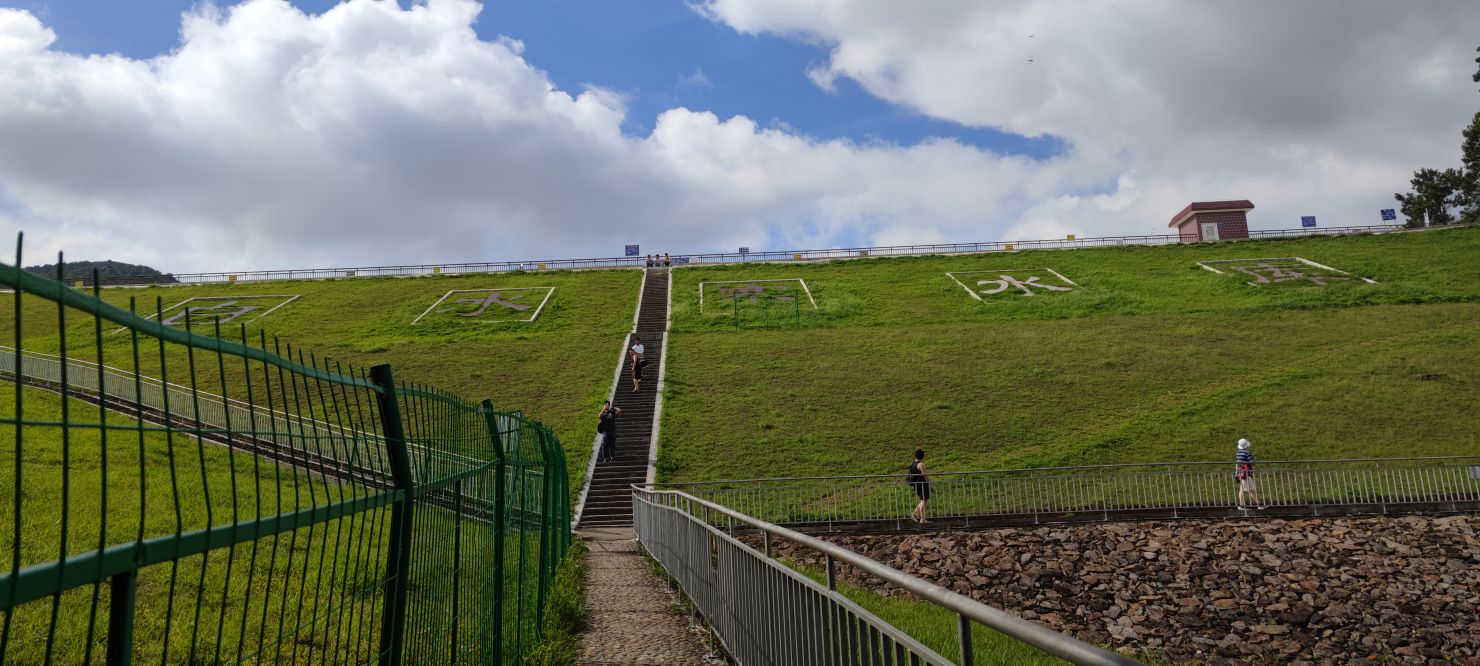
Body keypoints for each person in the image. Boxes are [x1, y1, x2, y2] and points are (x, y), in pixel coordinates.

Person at [1235, 438, 1265, 510]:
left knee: (1250, 489)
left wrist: (1236, 472)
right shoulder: (1247, 453)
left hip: (1241, 473)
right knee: (1246, 489)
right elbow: (1251, 462)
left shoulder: (1238, 453)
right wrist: (1258, 468)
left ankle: (1259, 504)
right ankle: (1242, 506)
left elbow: (1237, 463)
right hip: (1246, 473)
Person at [907, 449, 931, 524]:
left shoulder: (913, 463)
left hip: (917, 485)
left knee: (922, 501)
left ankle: (914, 514)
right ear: (923, 456)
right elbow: (925, 475)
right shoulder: (921, 464)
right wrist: (929, 484)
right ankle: (922, 519)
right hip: (922, 484)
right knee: (924, 501)